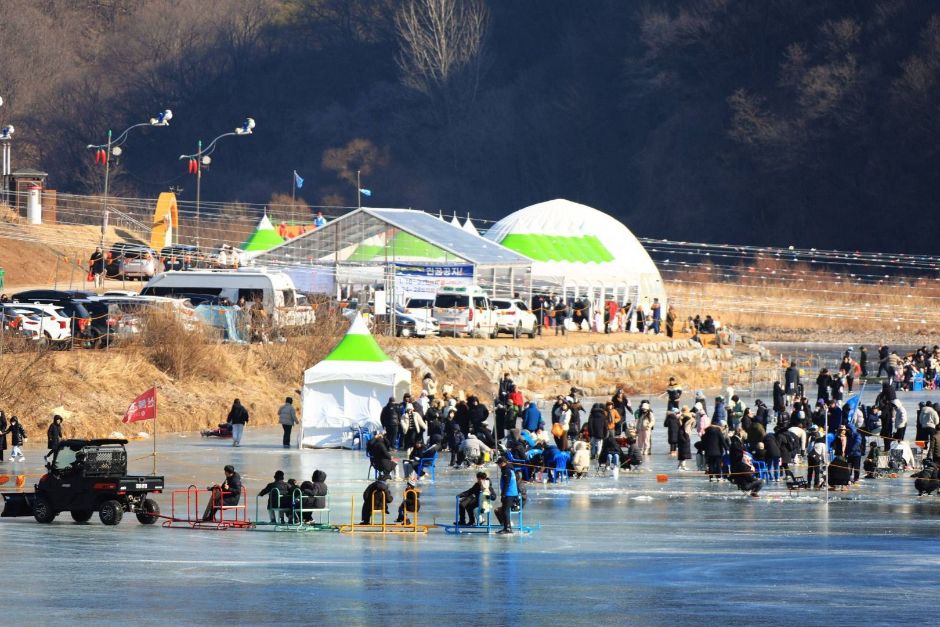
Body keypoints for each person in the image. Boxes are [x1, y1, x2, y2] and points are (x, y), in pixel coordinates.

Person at [494, 457, 519, 534]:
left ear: (503, 463)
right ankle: (507, 527)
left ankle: (507, 528)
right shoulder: (510, 469)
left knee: (505, 511)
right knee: (505, 510)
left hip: (509, 493)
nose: (498, 465)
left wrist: (503, 494)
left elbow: (506, 483)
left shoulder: (506, 471)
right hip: (511, 493)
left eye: (499, 463)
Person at [677, 407, 695, 471]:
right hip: (685, 439)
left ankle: (680, 466)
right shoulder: (683, 425)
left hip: (685, 438)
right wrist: (685, 440)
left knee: (683, 455)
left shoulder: (685, 421)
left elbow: (693, 423)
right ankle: (682, 466)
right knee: (683, 455)